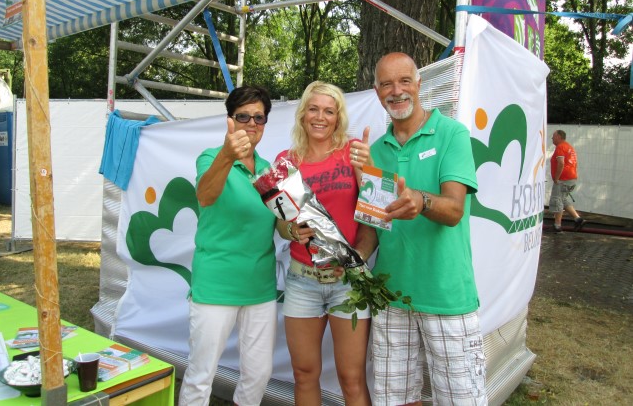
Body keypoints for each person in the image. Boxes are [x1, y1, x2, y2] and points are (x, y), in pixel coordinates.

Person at [354, 52, 487, 406]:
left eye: (404, 81)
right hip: (391, 298)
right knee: (393, 399)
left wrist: (421, 202)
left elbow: (455, 209)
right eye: (386, 84)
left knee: (462, 399)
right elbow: (372, 226)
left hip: (446, 297)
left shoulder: (452, 134)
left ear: (419, 84)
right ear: (377, 90)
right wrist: (354, 259)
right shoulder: (376, 149)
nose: (396, 91)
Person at [178, 86, 277, 406]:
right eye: (243, 116)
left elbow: (282, 223)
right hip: (216, 285)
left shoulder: (268, 171)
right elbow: (205, 196)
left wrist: (301, 226)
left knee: (259, 374)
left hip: (260, 287)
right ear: (229, 121)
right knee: (200, 375)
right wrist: (227, 155)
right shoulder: (211, 157)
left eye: (258, 117)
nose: (251, 123)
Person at [276, 81, 372, 406]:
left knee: (351, 377)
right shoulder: (286, 161)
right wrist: (291, 232)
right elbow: (280, 222)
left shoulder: (353, 150)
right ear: (303, 114)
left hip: (348, 280)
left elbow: (377, 209)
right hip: (303, 281)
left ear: (338, 117)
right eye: (313, 109)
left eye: (329, 111)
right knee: (304, 373)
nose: (320, 117)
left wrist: (367, 170)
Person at [549, 130, 585, 233]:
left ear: (559, 137)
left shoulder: (560, 147)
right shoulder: (569, 147)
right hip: (571, 178)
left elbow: (561, 163)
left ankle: (557, 226)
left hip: (563, 179)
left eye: (553, 136)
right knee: (563, 199)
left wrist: (556, 177)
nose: (552, 138)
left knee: (557, 200)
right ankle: (578, 219)